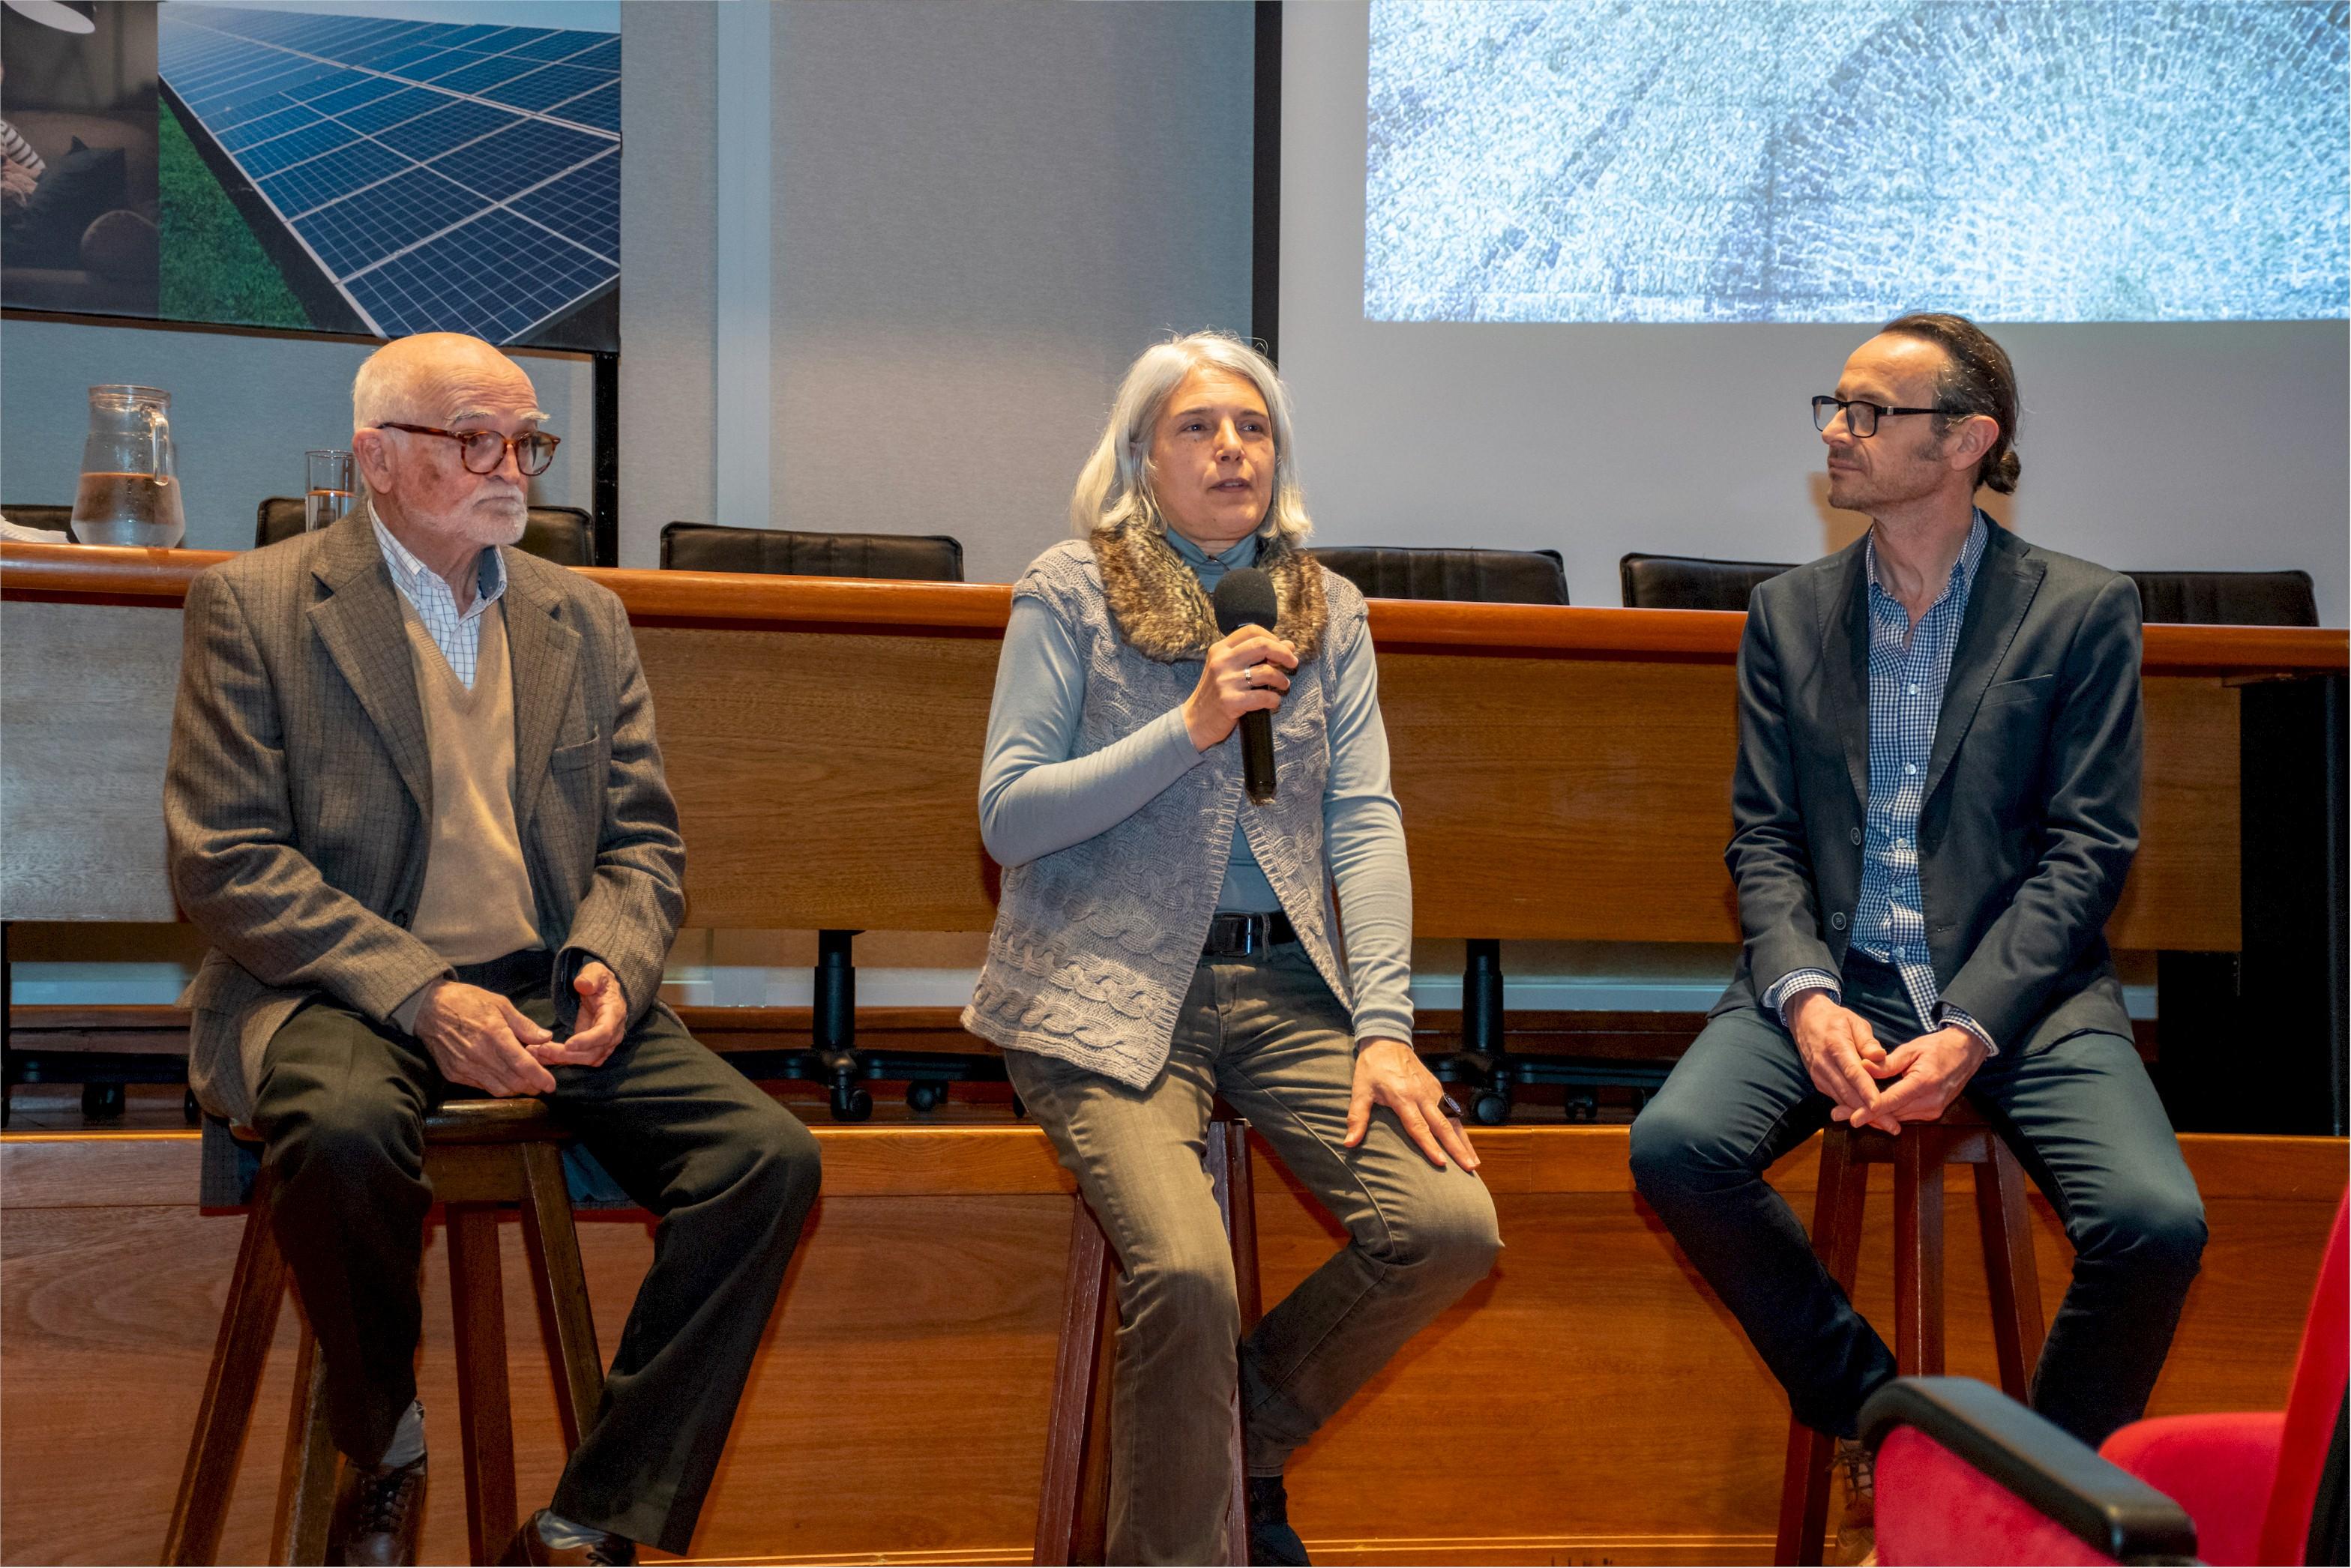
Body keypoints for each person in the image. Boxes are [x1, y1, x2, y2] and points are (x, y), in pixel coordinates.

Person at [165, 332, 822, 1567]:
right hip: (340, 984)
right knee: (346, 1136)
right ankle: (383, 1438)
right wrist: (420, 995)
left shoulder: (587, 617)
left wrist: (616, 965)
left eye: (528, 441)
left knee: (765, 1162)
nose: (510, 467)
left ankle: (588, 1521)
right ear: (376, 456)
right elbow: (226, 861)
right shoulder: (256, 606)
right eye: (475, 439)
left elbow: (641, 841)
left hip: (539, 980)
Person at [1628, 313, 2207, 1563]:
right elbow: (1763, 839)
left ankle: (2036, 1497)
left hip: (2023, 996)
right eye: (1834, 407)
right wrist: (1798, 996)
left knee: (2156, 1224)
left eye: (1870, 413)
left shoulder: (2083, 610)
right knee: (1676, 1148)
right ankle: (1888, 1423)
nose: (1838, 432)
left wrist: (1971, 1027)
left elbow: (2088, 854)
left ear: (1967, 441)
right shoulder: (1788, 613)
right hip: (1832, 982)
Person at [966, 331, 1502, 1565]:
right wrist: (1193, 725)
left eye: (1253, 428)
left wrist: (1386, 1030)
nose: (1232, 448)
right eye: (1200, 427)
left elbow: (1362, 823)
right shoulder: (1068, 592)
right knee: (1189, 1273)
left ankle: (1234, 1442)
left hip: (1286, 984)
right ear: (1141, 459)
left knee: (1450, 1227)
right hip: (1098, 979)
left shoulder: (1329, 611)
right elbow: (1010, 814)